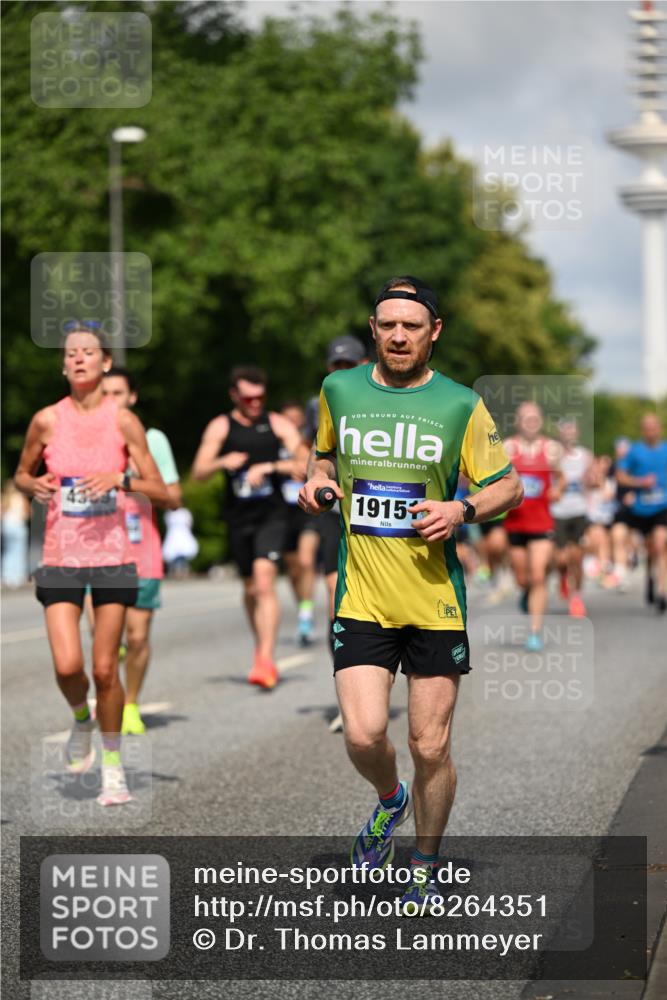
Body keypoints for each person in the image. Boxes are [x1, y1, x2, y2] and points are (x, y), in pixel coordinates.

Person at [299, 276, 522, 912]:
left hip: (434, 600)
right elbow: (321, 460)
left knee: (431, 744)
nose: (399, 335)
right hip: (362, 595)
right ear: (374, 329)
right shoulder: (338, 390)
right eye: (388, 324)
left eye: (412, 326)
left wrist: (462, 507)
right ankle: (391, 799)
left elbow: (511, 487)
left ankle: (424, 863)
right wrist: (314, 485)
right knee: (365, 735)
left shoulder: (460, 404)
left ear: (433, 333)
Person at [13, 324, 168, 806]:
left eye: (89, 352)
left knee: (105, 669)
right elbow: (20, 472)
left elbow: (164, 490)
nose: (79, 359)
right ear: (64, 366)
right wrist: (29, 484)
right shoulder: (46, 420)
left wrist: (121, 479)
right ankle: (80, 716)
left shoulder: (123, 422)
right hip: (61, 554)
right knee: (67, 665)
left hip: (113, 558)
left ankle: (114, 768)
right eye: (71, 353)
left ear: (104, 364)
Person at [192, 366, 308, 688]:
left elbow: (307, 463)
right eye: (248, 398)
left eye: (260, 397)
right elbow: (199, 471)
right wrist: (221, 462)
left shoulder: (277, 424)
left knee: (264, 581)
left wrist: (270, 465)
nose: (255, 403)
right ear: (234, 396)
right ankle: (262, 647)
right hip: (238, 518)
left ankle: (266, 658)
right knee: (249, 588)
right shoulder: (221, 426)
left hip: (272, 515)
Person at [102, 367, 182, 735]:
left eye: (117, 393)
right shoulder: (87, 440)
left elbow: (174, 498)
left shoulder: (153, 440)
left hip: (141, 551)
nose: (110, 400)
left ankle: (131, 703)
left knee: (136, 637)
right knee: (102, 633)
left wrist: (132, 478)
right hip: (95, 553)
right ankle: (109, 696)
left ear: (132, 397)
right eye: (104, 393)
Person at [304, 335, 368, 731]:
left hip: (381, 506)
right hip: (336, 508)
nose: (342, 372)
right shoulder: (321, 403)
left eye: (349, 366)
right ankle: (349, 698)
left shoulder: (387, 397)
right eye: (336, 366)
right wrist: (313, 478)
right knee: (335, 600)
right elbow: (317, 451)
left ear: (363, 364)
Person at [504, 402, 564, 651]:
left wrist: (557, 490)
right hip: (515, 522)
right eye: (525, 417)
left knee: (538, 574)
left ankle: (534, 632)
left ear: (540, 421)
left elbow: (561, 476)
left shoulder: (551, 449)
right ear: (518, 421)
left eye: (534, 417)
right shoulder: (508, 447)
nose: (530, 421)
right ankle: (526, 592)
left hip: (542, 522)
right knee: (522, 578)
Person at [616, 413, 667, 613]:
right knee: (651, 548)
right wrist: (639, 483)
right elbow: (620, 476)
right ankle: (649, 575)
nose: (651, 430)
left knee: (661, 544)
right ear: (642, 429)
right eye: (647, 427)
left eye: (654, 427)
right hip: (641, 509)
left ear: (659, 428)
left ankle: (663, 592)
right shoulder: (634, 452)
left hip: (663, 506)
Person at [280, 401, 320, 646]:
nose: (292, 423)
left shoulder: (306, 443)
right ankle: (303, 609)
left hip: (307, 509)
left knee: (306, 560)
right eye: (288, 419)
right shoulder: (275, 441)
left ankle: (305, 616)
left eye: (296, 418)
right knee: (293, 569)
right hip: (282, 513)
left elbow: (309, 464)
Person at [549, 419, 593, 617]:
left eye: (571, 429)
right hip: (557, 512)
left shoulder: (585, 455)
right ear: (559, 433)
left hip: (579, 511)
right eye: (564, 430)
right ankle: (563, 577)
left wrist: (593, 480)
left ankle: (577, 597)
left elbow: (596, 482)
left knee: (576, 556)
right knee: (560, 559)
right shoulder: (551, 455)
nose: (568, 433)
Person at [1, 481, 29, 588]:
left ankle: (7, 576)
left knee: (8, 551)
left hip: (7, 526)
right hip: (18, 526)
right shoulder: (21, 498)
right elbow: (27, 513)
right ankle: (17, 577)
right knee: (19, 551)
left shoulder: (5, 499)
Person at [163, 507, 199, 578]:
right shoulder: (169, 513)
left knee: (183, 553)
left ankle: (182, 570)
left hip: (183, 534)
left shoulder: (184, 512)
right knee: (174, 554)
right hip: (173, 535)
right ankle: (176, 571)